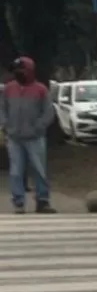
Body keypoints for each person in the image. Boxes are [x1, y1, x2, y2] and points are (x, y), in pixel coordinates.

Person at [0, 57, 57, 214]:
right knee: (16, 170)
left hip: (35, 137)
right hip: (14, 138)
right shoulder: (9, 89)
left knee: (39, 169)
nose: (18, 73)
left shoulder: (40, 89)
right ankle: (18, 202)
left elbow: (48, 112)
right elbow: (2, 108)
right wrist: (5, 124)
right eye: (16, 71)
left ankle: (42, 200)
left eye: (21, 70)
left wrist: (38, 127)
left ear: (30, 71)